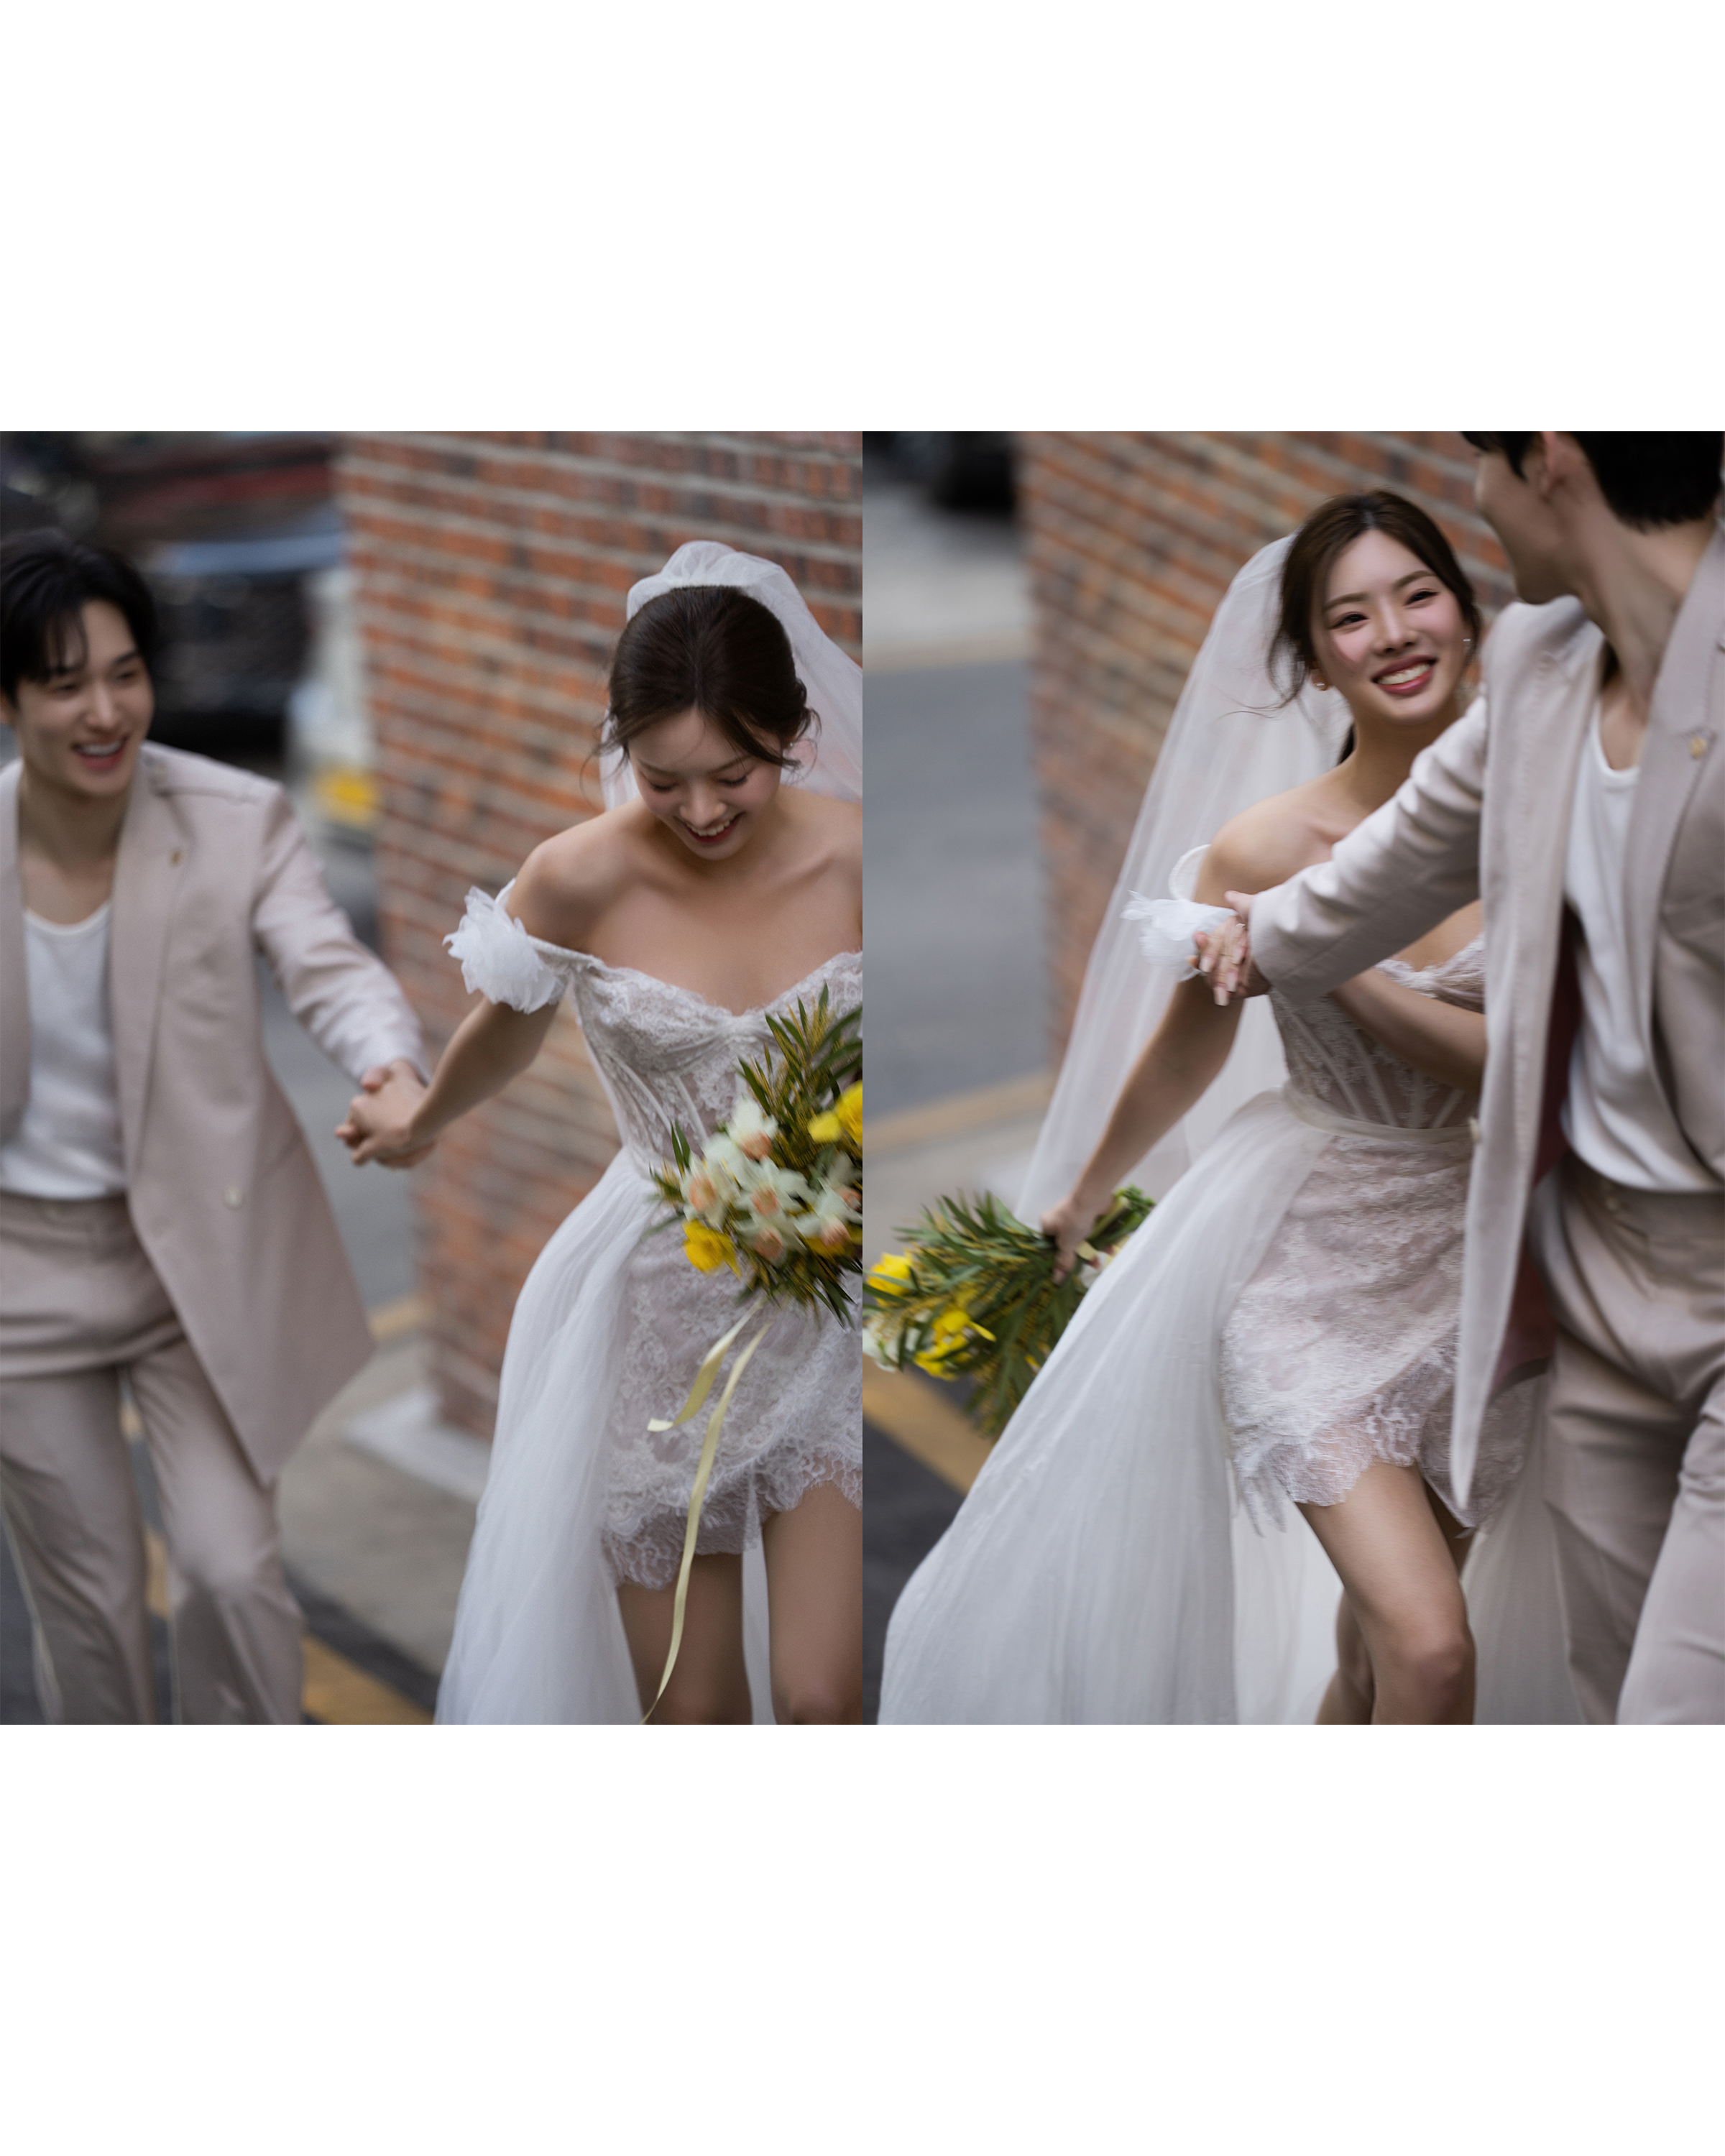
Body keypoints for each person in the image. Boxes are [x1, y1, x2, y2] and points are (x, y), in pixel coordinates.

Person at [880, 493, 1578, 1725]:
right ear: (1313, 660)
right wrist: (1076, 1199)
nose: (1393, 633)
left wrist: (1320, 952)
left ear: (1469, 618)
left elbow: (1513, 1069)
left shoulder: (1552, 817)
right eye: (1350, 618)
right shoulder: (1261, 851)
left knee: (1375, 1659)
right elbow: (1185, 1053)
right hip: (1302, 1265)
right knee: (1432, 1651)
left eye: (1418, 596)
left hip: (1480, 1265)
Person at [1209, 435, 1724, 1724]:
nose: (1476, 501)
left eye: (1480, 461)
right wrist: (1264, 932)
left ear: (1547, 459)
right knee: (1607, 1695)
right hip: (1585, 1285)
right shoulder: (1543, 666)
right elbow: (1396, 862)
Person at [341, 543, 863, 1723]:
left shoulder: (857, 860)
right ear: (622, 749)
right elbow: (504, 1032)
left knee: (825, 1701)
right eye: (663, 779)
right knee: (691, 1713)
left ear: (793, 734)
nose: (700, 811)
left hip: (821, 1303)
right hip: (656, 1310)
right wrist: (418, 1120)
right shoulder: (576, 878)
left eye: (734, 774)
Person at [0, 529, 429, 1722]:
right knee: (89, 1603)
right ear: (9, 701)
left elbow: (330, 967)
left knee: (230, 1572)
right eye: (65, 684)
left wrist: (391, 1068)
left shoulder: (237, 819)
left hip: (196, 1253)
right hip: (18, 1276)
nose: (105, 711)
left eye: (125, 674)